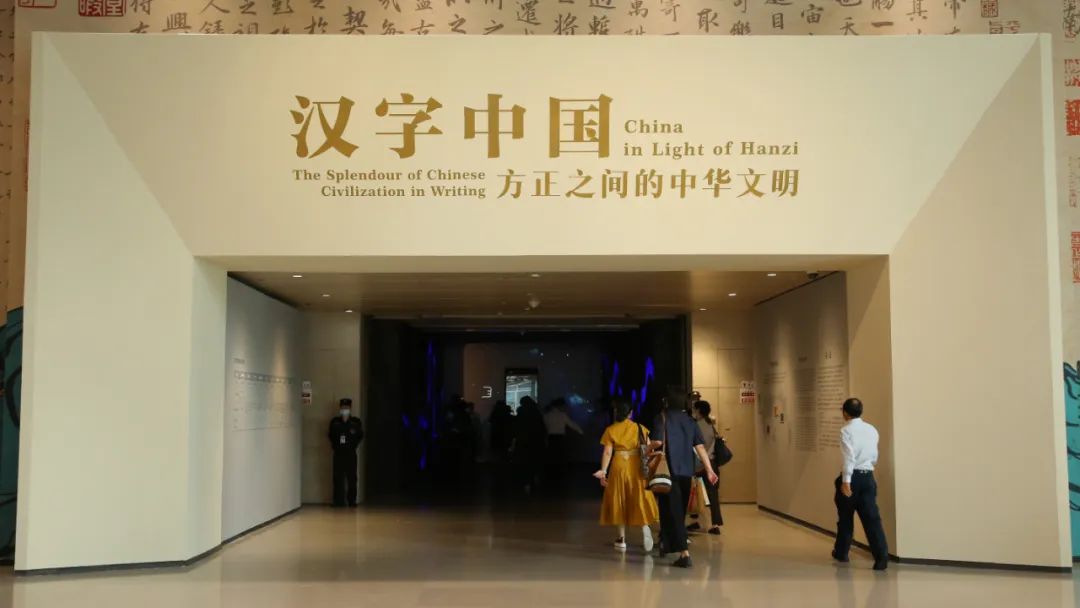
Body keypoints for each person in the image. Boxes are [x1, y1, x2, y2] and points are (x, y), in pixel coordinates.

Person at [652, 395, 718, 568]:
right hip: (687, 473)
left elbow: (657, 442)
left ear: (666, 402)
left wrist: (645, 450)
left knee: (670, 510)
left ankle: (684, 553)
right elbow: (700, 447)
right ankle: (666, 542)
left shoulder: (662, 418)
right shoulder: (690, 421)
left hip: (669, 472)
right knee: (677, 512)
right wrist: (709, 469)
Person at [593, 397, 658, 552]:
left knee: (619, 499)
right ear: (630, 413)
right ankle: (644, 526)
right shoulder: (640, 428)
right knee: (639, 496)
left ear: (616, 413)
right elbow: (649, 448)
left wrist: (603, 471)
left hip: (619, 466)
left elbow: (607, 452)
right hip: (636, 467)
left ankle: (621, 539)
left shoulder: (611, 430)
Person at [832, 397, 890, 571]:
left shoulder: (845, 431)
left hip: (853, 478)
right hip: (868, 478)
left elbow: (849, 457)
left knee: (845, 517)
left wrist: (846, 481)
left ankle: (842, 553)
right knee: (872, 519)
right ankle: (881, 558)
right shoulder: (872, 429)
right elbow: (873, 455)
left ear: (845, 413)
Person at [688, 400, 723, 535]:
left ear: (698, 411)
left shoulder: (696, 425)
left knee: (697, 494)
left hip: (700, 464)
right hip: (712, 463)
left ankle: (700, 523)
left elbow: (697, 446)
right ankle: (715, 524)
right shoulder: (710, 425)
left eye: (694, 409)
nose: (693, 411)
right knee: (713, 495)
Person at [328, 398, 364, 507]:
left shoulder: (355, 422)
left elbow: (360, 436)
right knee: (337, 478)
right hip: (338, 453)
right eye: (343, 407)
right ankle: (338, 501)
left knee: (352, 478)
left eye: (347, 408)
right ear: (340, 408)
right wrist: (335, 446)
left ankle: (352, 501)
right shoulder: (335, 422)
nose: (345, 409)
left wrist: (353, 446)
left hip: (350, 454)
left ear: (350, 408)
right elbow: (331, 436)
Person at [544, 397, 584, 488]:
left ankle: (551, 475)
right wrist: (580, 431)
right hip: (560, 438)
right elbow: (572, 424)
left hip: (551, 438)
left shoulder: (547, 415)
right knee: (560, 456)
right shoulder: (562, 415)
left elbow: (544, 427)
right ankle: (560, 476)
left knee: (552, 456)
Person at [512, 396, 548, 494]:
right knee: (534, 461)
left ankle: (526, 482)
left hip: (523, 442)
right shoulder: (537, 413)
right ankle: (534, 478)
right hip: (536, 442)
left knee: (524, 462)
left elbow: (516, 429)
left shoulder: (521, 413)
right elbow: (542, 429)